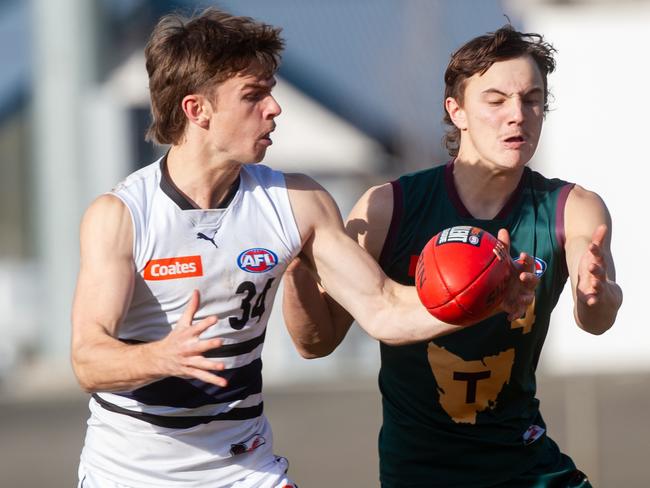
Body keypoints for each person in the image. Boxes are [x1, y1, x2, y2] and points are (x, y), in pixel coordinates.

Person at [70, 10, 538, 488]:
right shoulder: (123, 215)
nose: (274, 108)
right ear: (197, 110)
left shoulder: (296, 203)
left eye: (270, 91)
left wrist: (486, 300)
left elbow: (384, 308)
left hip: (246, 469)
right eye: (253, 96)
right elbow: (88, 358)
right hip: (127, 474)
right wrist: (161, 357)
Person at [282, 25, 623, 487]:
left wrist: (596, 293)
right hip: (420, 472)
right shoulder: (389, 208)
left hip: (527, 467)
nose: (517, 116)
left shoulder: (573, 208)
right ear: (456, 111)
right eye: (497, 100)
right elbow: (315, 342)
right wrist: (296, 264)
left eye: (532, 99)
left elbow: (596, 316)